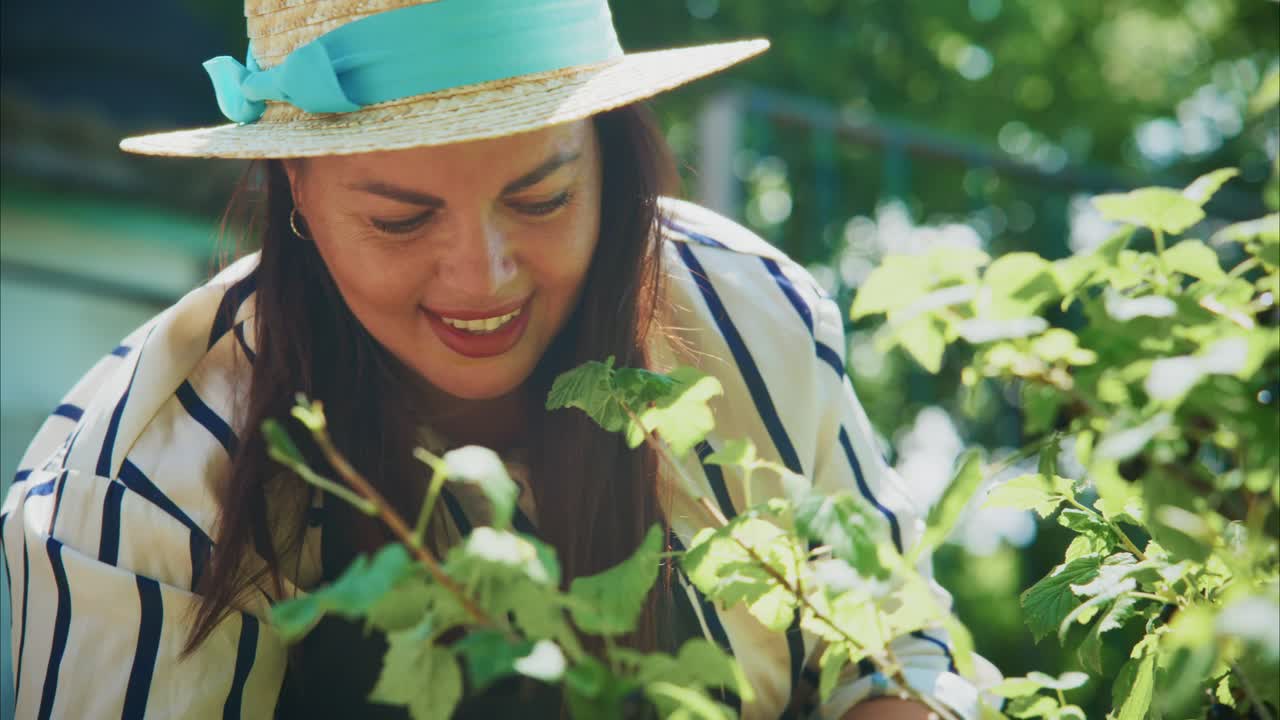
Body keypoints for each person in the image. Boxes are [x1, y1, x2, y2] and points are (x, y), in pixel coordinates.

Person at [0, 1, 993, 718]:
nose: (482, 278)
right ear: (295, 191)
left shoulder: (751, 323)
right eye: (401, 217)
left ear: (609, 155)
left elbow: (899, 647)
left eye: (541, 198)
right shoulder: (148, 482)